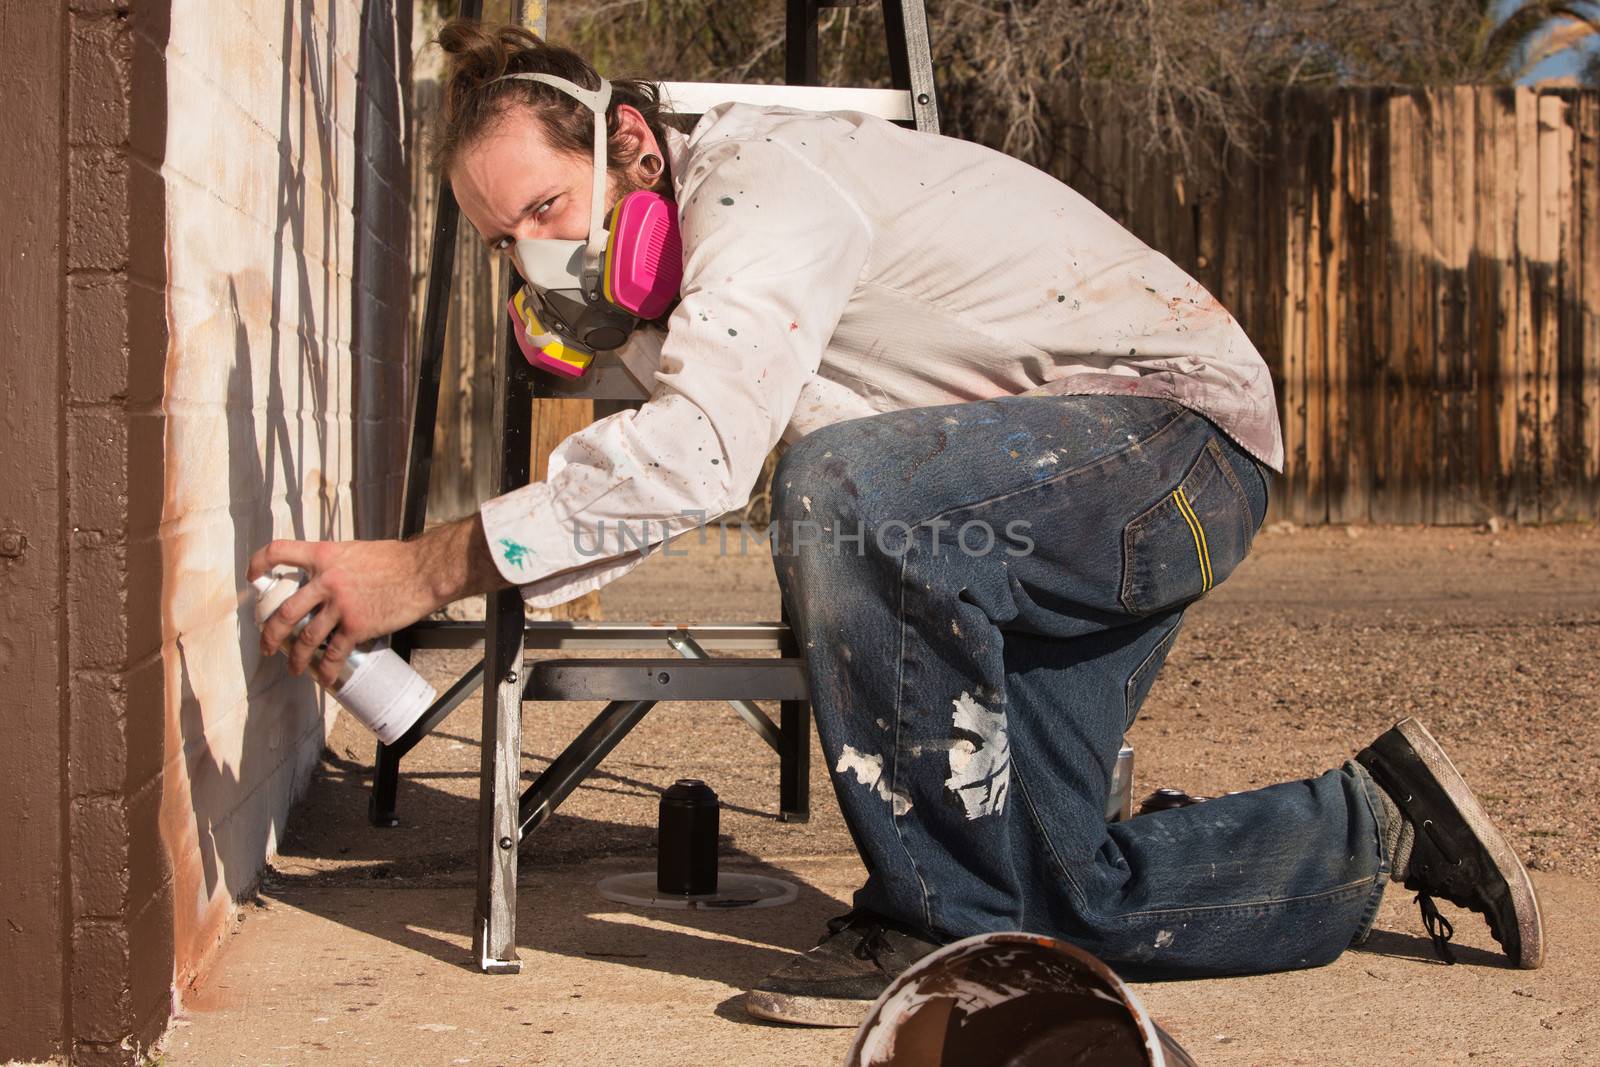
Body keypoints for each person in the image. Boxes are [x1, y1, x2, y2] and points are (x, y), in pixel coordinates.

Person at [249, 20, 1545, 1028]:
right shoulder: (695, 308)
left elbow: (701, 460)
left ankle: (927, 933)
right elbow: (646, 498)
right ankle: (1375, 823)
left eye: (545, 209)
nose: (535, 254)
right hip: (1056, 504)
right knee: (1045, 896)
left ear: (630, 147)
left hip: (1171, 455)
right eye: (502, 240)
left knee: (846, 493)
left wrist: (424, 566)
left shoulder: (759, 188)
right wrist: (422, 584)